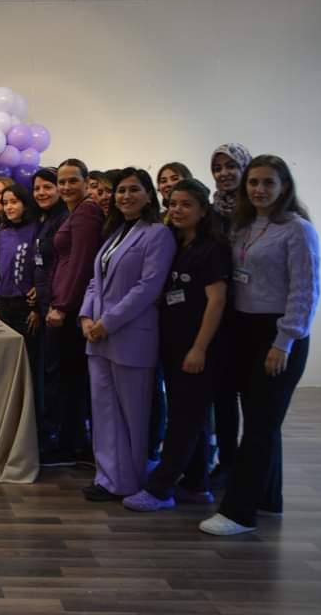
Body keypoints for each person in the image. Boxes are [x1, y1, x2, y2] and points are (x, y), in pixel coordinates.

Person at [201, 155, 320, 536]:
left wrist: (284, 341)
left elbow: (305, 292)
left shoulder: (297, 229)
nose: (259, 189)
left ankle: (239, 513)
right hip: (244, 330)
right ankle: (268, 498)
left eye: (268, 182)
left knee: (259, 427)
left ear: (284, 187)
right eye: (254, 182)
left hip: (277, 334)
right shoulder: (244, 225)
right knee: (261, 421)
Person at [123, 178, 229, 512]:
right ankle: (197, 485)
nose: (177, 210)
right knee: (192, 416)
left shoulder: (212, 248)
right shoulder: (179, 243)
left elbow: (217, 300)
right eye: (172, 204)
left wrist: (199, 348)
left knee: (183, 419)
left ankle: (160, 489)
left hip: (196, 346)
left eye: (186, 205)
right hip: (173, 342)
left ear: (203, 210)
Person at [79, 168, 176, 502]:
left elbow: (148, 287)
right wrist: (86, 317)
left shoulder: (158, 234)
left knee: (133, 415)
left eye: (134, 190)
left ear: (149, 195)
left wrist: (108, 321)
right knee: (104, 412)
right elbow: (96, 282)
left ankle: (133, 481)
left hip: (131, 335)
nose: (125, 196)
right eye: (121, 190)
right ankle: (108, 479)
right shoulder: (116, 232)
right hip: (98, 336)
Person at [45, 159, 104, 467]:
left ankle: (72, 446)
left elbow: (82, 265)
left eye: (72, 181)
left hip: (72, 309)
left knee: (72, 382)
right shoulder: (74, 213)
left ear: (86, 181)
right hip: (63, 304)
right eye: (62, 181)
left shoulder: (87, 212)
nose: (66, 187)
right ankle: (70, 441)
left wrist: (63, 306)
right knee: (67, 380)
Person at [208, 142, 252, 489]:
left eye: (231, 166)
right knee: (222, 394)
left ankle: (254, 469)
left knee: (252, 399)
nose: (224, 173)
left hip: (251, 314)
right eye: (218, 167)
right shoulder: (213, 211)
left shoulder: (257, 212)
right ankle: (227, 460)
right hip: (219, 311)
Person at [29, 168, 69, 461]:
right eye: (37, 188)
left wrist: (58, 303)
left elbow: (67, 266)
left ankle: (60, 441)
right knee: (47, 372)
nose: (41, 192)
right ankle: (49, 433)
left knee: (58, 376)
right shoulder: (44, 220)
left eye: (48, 187)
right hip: (44, 305)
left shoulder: (66, 220)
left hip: (58, 307)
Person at [0, 183, 42, 408]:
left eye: (14, 202)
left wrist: (36, 307)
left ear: (25, 203)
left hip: (26, 306)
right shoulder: (2, 231)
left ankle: (31, 413)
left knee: (29, 364)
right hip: (4, 305)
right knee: (6, 363)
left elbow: (41, 268)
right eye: (5, 203)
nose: (9, 207)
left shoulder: (35, 230)